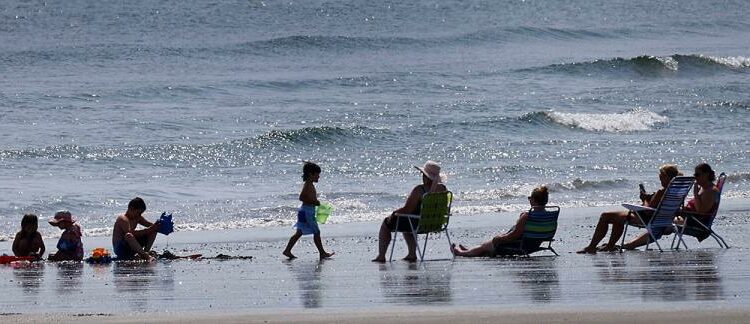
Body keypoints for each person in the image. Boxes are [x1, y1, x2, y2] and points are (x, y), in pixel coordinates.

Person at [577, 164, 681, 254]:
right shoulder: (677, 191)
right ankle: (610, 246)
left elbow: (647, 210)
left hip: (648, 219)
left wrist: (644, 198)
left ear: (667, 177)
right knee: (617, 217)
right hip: (663, 220)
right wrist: (649, 198)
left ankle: (591, 247)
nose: (659, 178)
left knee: (605, 216)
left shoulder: (661, 191)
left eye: (661, 176)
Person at [371, 161, 447, 263]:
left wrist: (393, 213)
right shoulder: (443, 189)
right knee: (407, 220)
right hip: (435, 224)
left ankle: (381, 256)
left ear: (425, 176)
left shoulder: (420, 190)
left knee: (386, 223)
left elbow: (407, 209)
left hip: (418, 224)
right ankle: (411, 254)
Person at [451, 186, 549, 257]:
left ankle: (462, 253)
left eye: (530, 198)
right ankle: (471, 250)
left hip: (520, 245)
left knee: (490, 243)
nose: (529, 200)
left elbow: (514, 235)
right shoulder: (549, 216)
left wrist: (499, 238)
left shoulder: (527, 216)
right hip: (534, 244)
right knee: (487, 247)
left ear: (534, 200)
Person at [282, 162, 335, 260]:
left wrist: (315, 203)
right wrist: (315, 202)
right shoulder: (308, 185)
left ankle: (287, 250)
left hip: (304, 211)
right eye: (317, 174)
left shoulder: (309, 184)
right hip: (307, 212)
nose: (319, 177)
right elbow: (301, 197)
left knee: (299, 232)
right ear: (311, 174)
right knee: (317, 232)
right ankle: (322, 253)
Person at [112, 197, 160, 261]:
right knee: (128, 235)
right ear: (131, 209)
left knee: (153, 230)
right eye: (138, 213)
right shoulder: (123, 219)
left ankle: (146, 252)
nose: (139, 215)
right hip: (121, 249)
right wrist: (148, 230)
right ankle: (145, 256)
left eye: (141, 213)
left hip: (132, 247)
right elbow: (130, 233)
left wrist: (158, 225)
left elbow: (150, 225)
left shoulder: (137, 217)